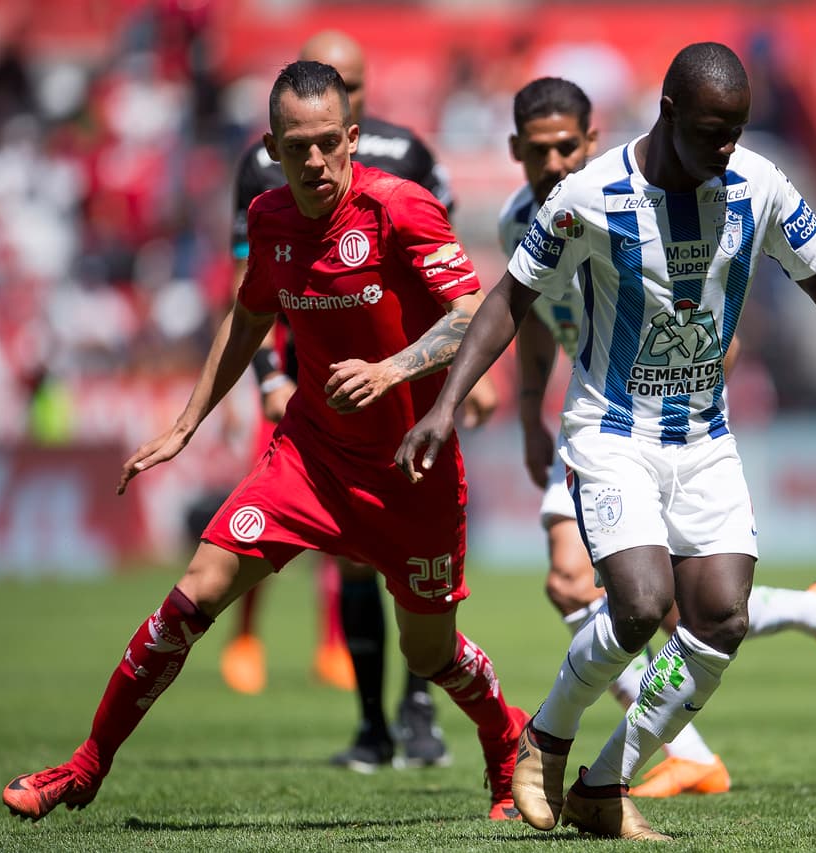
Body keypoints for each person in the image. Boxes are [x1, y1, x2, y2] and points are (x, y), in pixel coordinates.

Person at [398, 43, 816, 840]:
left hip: (704, 437)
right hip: (612, 433)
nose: (727, 147)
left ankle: (604, 784)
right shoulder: (590, 195)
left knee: (720, 616)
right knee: (640, 602)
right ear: (668, 113)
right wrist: (447, 402)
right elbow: (510, 299)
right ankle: (545, 739)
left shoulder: (757, 183)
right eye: (712, 132)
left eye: (737, 131)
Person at [3, 59, 527, 824]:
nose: (314, 161)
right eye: (297, 146)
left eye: (327, 142)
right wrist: (185, 425)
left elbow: (472, 313)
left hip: (410, 474)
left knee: (429, 653)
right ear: (273, 149)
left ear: (352, 138)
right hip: (310, 461)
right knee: (193, 594)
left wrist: (391, 370)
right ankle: (85, 766)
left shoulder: (400, 207)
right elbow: (249, 317)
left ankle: (507, 740)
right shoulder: (269, 217)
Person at [500, 77, 816, 801]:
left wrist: (682, 398)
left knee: (698, 610)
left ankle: (643, 764)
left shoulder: (711, 189)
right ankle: (598, 746)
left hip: (685, 426)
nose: (553, 162)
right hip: (600, 423)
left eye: (566, 146)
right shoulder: (542, 216)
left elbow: (739, 319)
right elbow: (527, 318)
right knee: (620, 596)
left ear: (591, 140)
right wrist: (527, 411)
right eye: (537, 150)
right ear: (514, 151)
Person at [225, 30, 497, 772]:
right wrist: (269, 379)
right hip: (318, 390)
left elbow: (453, 289)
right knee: (347, 559)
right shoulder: (262, 171)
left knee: (415, 571)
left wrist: (467, 378)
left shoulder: (407, 158)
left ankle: (419, 709)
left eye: (352, 83)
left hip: (407, 391)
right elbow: (248, 294)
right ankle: (373, 723)